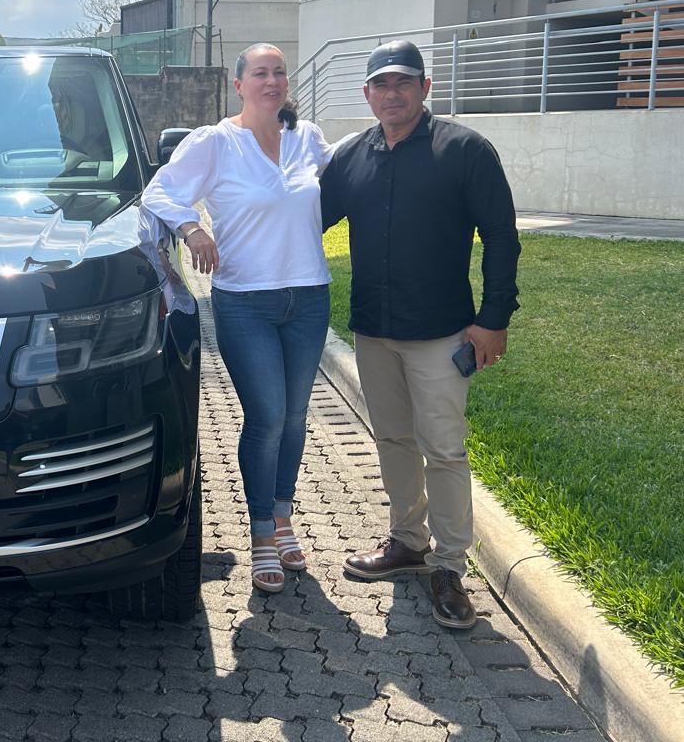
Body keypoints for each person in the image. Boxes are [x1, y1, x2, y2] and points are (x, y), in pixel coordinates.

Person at [319, 39, 521, 629]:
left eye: (404, 82)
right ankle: (408, 542)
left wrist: (494, 318)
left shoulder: (464, 150)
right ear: (367, 94)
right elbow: (305, 220)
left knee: (444, 449)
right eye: (381, 85)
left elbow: (501, 237)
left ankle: (450, 567)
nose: (392, 94)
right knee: (393, 440)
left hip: (441, 333)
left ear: (425, 87)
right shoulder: (351, 157)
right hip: (374, 330)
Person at [142, 43, 333, 594]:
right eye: (260, 73)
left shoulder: (307, 137)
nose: (272, 82)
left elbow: (351, 173)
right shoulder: (216, 142)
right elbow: (160, 191)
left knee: (295, 416)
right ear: (239, 84)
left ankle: (283, 516)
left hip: (309, 297)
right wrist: (191, 228)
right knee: (267, 415)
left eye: (279, 73)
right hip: (245, 301)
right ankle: (260, 531)